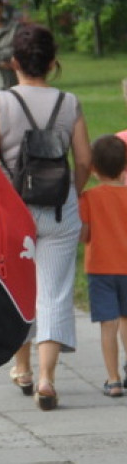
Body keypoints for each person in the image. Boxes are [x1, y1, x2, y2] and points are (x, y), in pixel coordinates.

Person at [0, 23, 91, 411]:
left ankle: (23, 369)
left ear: (14, 62)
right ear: (53, 62)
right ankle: (47, 379)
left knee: (19, 288)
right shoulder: (69, 102)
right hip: (60, 208)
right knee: (55, 291)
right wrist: (73, 193)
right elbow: (85, 159)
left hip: (14, 210)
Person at [78, 135, 127, 398]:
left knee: (108, 325)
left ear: (93, 167)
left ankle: (113, 379)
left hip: (100, 268)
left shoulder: (89, 198)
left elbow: (84, 235)